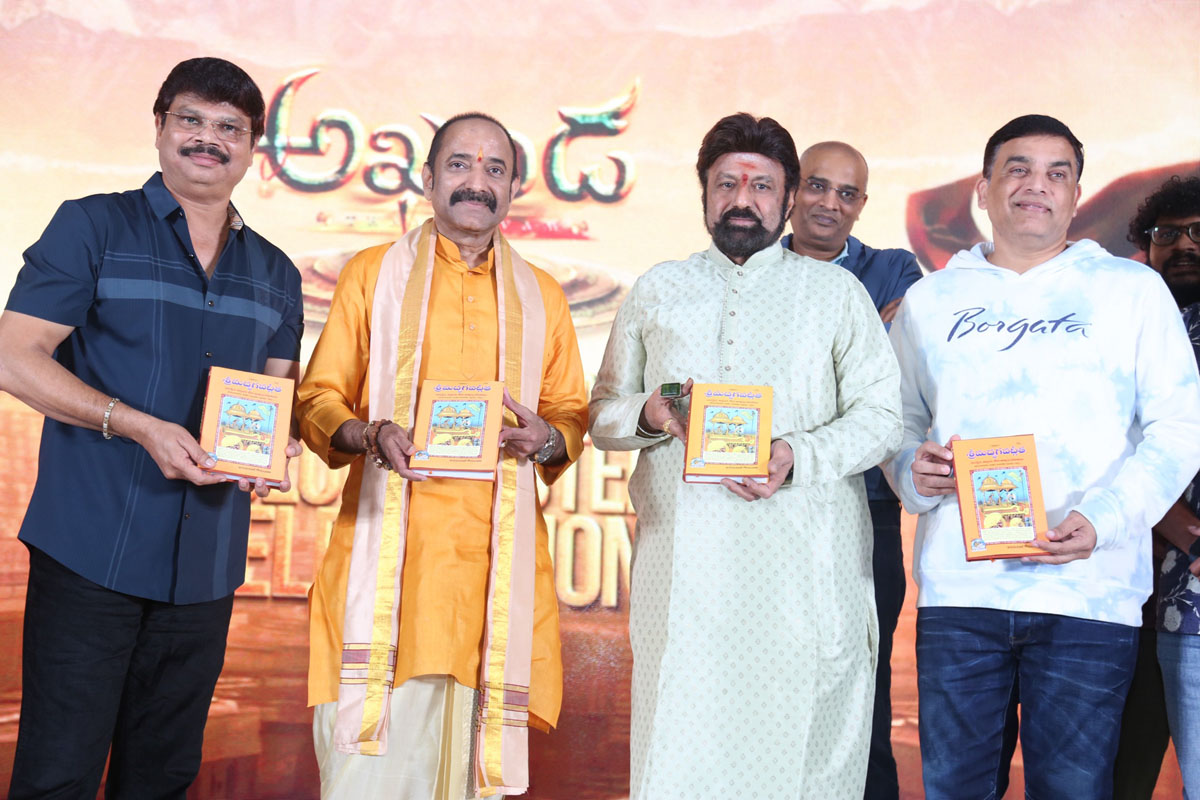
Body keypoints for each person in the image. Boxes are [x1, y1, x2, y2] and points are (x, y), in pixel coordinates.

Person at [0, 57, 303, 798]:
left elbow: (274, 399)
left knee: (161, 780)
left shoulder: (278, 274)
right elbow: (13, 356)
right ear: (161, 127)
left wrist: (275, 446)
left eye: (229, 127)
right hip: (90, 551)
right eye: (191, 119)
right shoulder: (92, 226)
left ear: (253, 148)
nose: (208, 139)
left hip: (206, 569)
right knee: (58, 776)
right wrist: (137, 426)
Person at [886, 115, 1200, 799]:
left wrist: (1105, 519)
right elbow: (898, 420)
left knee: (1073, 790)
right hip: (960, 592)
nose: (1038, 185)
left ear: (1076, 193)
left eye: (1058, 173)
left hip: (1090, 591)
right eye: (1019, 168)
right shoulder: (930, 300)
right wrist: (911, 467)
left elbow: (1180, 428)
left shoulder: (1131, 291)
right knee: (955, 788)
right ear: (984, 188)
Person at [589, 112, 902, 799]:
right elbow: (603, 412)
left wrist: (795, 454)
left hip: (805, 574)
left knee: (802, 760)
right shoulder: (658, 289)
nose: (742, 199)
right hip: (683, 579)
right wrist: (650, 412)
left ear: (787, 199)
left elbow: (882, 419)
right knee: (681, 751)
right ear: (704, 193)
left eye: (761, 185)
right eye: (726, 182)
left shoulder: (835, 294)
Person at [296, 112, 587, 799]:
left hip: (493, 580)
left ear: (514, 187)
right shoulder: (371, 276)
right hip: (391, 578)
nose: (476, 182)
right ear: (427, 179)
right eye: (459, 164)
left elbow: (571, 412)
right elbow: (317, 399)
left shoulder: (543, 296)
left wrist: (546, 437)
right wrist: (371, 434)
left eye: (494, 169)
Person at [782, 140, 923, 800]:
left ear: (862, 204)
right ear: (791, 190)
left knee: (860, 691)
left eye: (847, 193)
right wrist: (867, 337)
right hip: (768, 508)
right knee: (769, 687)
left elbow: (893, 386)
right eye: (817, 186)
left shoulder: (895, 269)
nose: (829, 204)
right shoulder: (749, 266)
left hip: (866, 510)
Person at [1126, 174, 1200, 798]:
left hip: (1189, 592)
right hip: (1123, 595)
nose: (1184, 246)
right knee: (1119, 775)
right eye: (1167, 233)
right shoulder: (1124, 326)